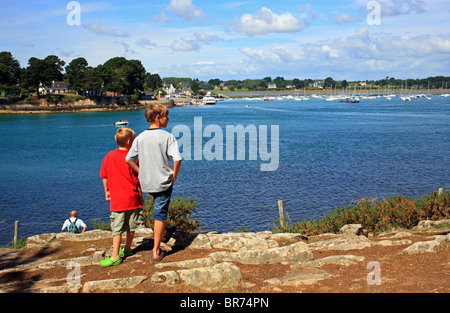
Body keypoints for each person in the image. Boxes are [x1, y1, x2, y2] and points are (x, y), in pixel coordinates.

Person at [126, 103, 181, 262]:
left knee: (159, 209)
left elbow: (128, 159)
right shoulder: (167, 136)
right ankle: (156, 251)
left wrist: (141, 172)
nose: (168, 119)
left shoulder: (140, 137)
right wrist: (174, 175)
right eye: (166, 116)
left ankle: (163, 232)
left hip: (147, 182)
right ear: (158, 118)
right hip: (162, 181)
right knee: (160, 214)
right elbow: (177, 159)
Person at [99, 127, 144, 267]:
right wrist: (141, 195)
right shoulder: (132, 159)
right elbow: (138, 179)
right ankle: (128, 249)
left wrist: (107, 191)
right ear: (130, 142)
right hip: (132, 197)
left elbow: (104, 175)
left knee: (117, 229)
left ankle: (115, 256)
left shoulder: (109, 156)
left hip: (117, 200)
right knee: (131, 226)